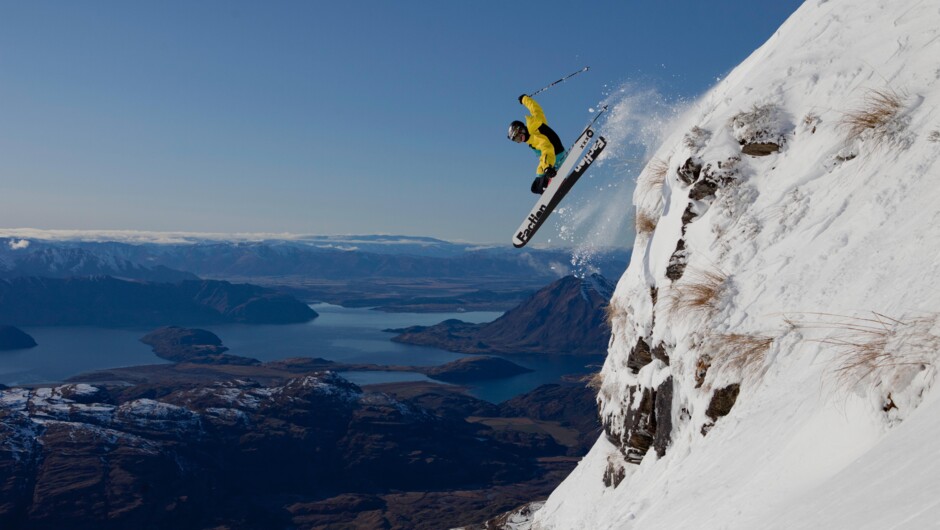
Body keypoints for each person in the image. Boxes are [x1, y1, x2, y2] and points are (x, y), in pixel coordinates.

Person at [508, 95, 568, 194]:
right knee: (535, 187)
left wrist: (547, 167)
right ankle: (548, 186)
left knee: (540, 185)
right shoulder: (536, 122)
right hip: (548, 159)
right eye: (516, 140)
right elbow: (535, 108)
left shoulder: (534, 133)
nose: (520, 141)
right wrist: (524, 99)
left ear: (521, 130)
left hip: (555, 157)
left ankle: (555, 183)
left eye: (518, 137)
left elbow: (546, 148)